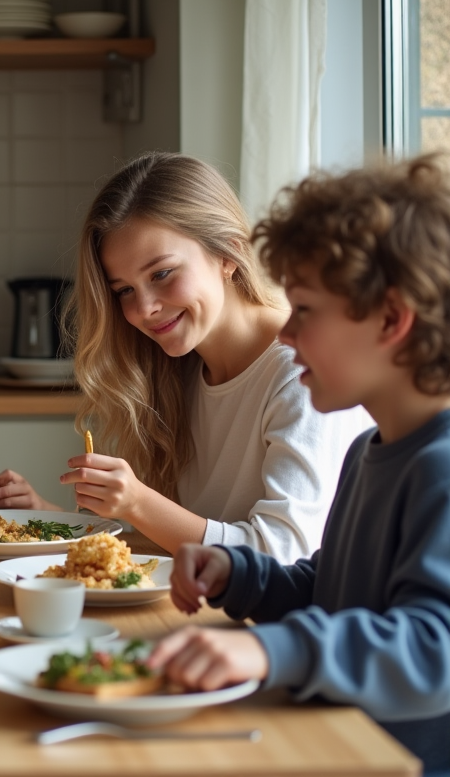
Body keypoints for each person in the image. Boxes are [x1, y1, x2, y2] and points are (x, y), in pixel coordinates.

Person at [148, 155, 450, 774]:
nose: (285, 335)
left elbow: (432, 648)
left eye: (306, 311)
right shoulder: (371, 453)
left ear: (392, 319)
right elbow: (338, 598)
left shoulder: (441, 470)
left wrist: (272, 648)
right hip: (335, 743)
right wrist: (242, 575)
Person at [0, 152, 369, 561]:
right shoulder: (177, 370)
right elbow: (172, 542)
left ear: (228, 253)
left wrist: (138, 503)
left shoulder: (303, 372)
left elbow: (281, 554)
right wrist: (49, 519)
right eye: (124, 290)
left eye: (162, 273)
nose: (143, 309)